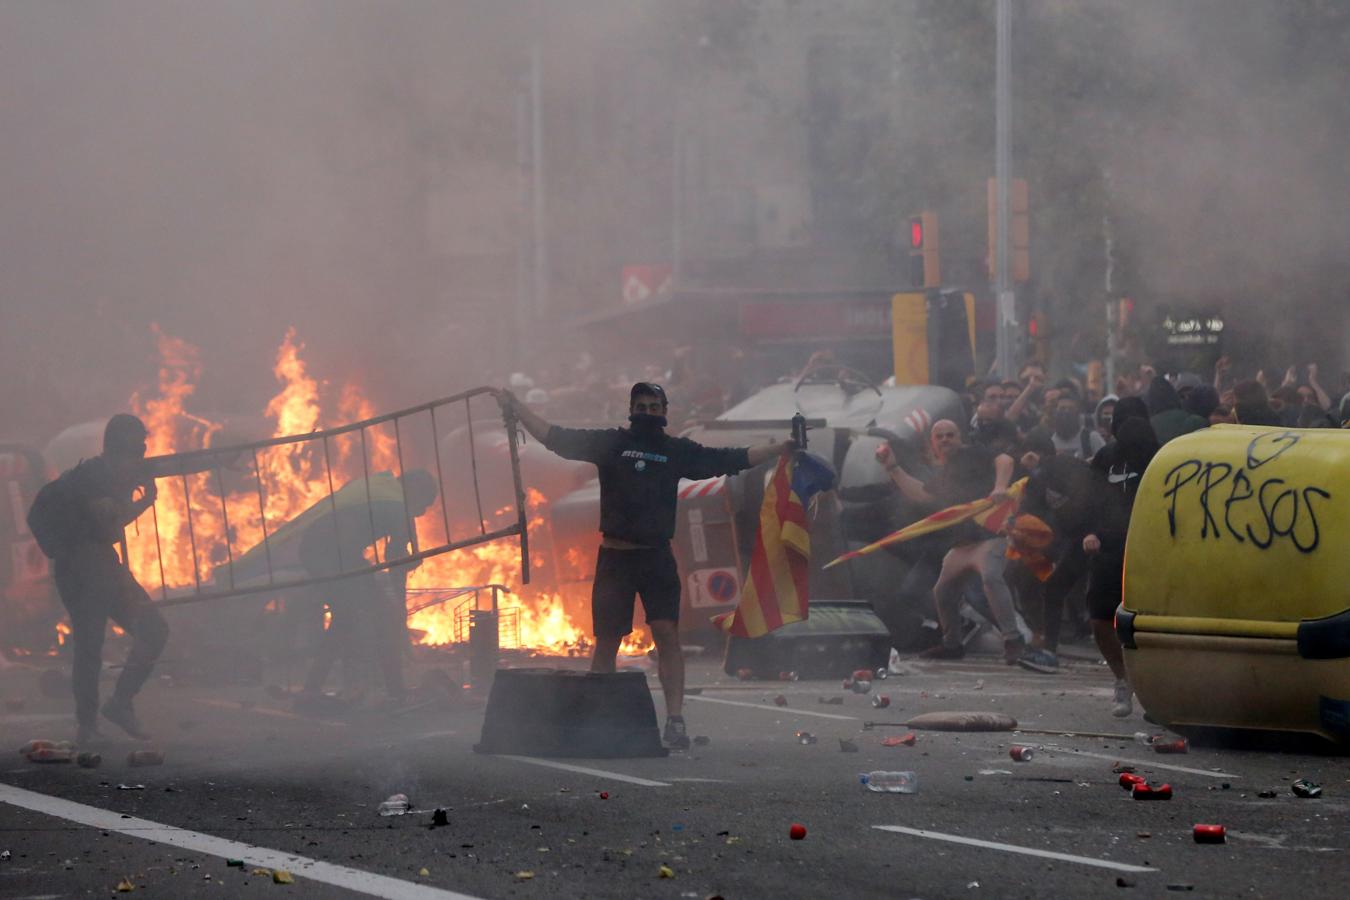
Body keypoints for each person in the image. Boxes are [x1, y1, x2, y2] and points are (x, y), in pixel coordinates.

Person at [499, 382, 793, 750]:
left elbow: (731, 458)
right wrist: (517, 408)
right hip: (615, 558)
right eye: (642, 405)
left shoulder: (675, 451)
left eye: (655, 406)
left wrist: (780, 449)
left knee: (667, 635)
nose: (649, 412)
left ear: (665, 410)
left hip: (656, 557)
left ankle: (675, 720)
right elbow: (555, 438)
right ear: (631, 409)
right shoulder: (612, 444)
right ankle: (598, 720)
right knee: (607, 642)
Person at [46, 415, 169, 742]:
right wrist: (139, 501)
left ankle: (119, 704)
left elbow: (109, 523)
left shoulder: (108, 475)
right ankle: (88, 724)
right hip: (82, 568)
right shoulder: (94, 477)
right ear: (122, 444)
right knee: (90, 645)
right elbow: (106, 521)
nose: (143, 449)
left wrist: (141, 500)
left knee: (153, 631)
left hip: (100, 564)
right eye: (138, 443)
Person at [877, 433, 1025, 663]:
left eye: (951, 435)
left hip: (989, 538)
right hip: (961, 545)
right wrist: (893, 468)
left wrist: (1000, 487)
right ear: (933, 444)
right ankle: (952, 644)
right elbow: (922, 495)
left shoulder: (973, 453)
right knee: (943, 591)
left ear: (960, 438)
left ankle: (1016, 640)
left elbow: (1004, 460)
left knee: (989, 581)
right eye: (940, 437)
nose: (946, 440)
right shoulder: (944, 474)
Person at [298, 470, 438, 705]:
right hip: (331, 556)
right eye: (423, 503)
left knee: (348, 618)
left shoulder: (385, 488)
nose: (422, 511)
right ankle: (395, 692)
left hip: (326, 552)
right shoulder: (396, 504)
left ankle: (313, 688)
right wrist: (398, 609)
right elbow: (396, 562)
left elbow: (396, 556)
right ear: (414, 490)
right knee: (379, 618)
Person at [1083, 415, 1159, 717]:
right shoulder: (1106, 457)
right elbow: (1087, 498)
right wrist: (1088, 531)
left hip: (1152, 552)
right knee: (1100, 619)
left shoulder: (1161, 456)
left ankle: (1155, 693)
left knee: (1149, 625)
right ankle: (1122, 680)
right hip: (1109, 550)